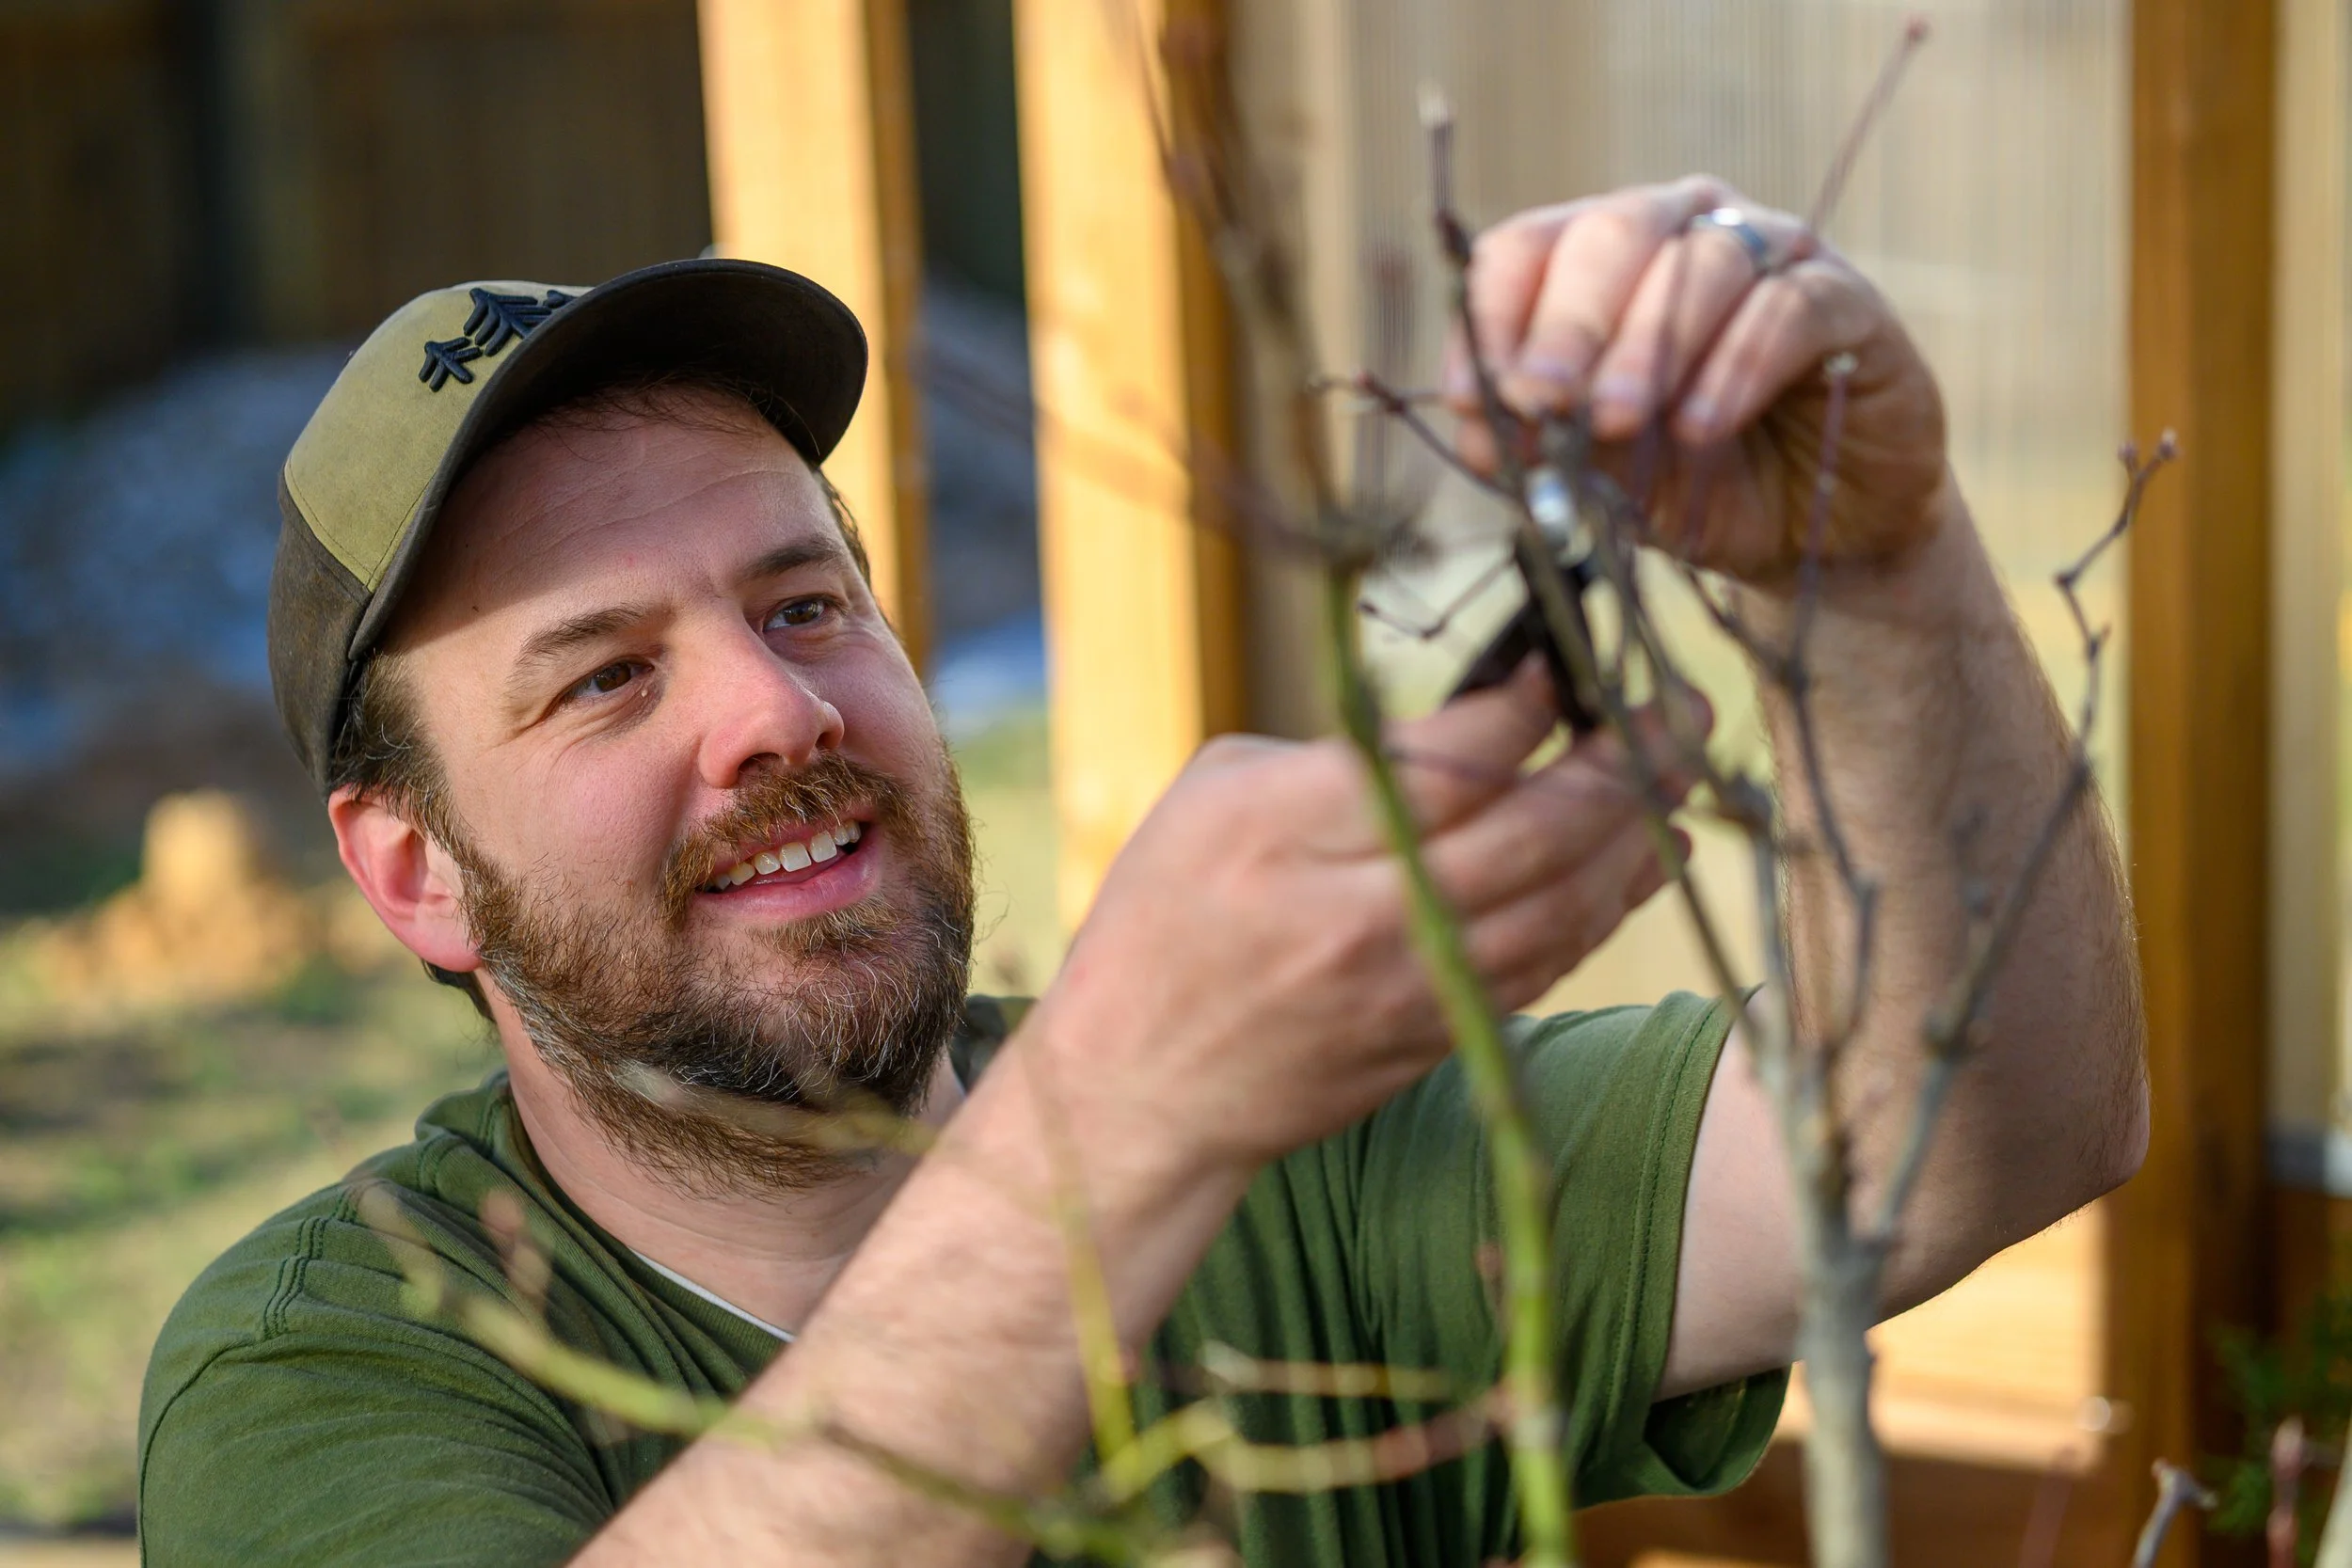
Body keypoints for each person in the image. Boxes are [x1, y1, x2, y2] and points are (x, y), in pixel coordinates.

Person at [137, 179, 2145, 1567]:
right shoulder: (337, 1356)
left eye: (808, 601)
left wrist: (1868, 560)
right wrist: (1120, 1119)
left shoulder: (1301, 1162)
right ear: (415, 874)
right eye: (602, 676)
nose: (772, 710)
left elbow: (1973, 1131)